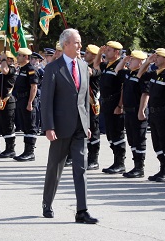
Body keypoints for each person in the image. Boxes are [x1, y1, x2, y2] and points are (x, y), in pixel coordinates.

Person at [41, 28, 98, 224]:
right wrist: (48, 127)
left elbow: (84, 99)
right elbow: (47, 100)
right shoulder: (53, 68)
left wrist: (87, 124)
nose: (80, 46)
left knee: (80, 169)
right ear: (65, 44)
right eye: (76, 43)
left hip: (80, 127)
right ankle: (47, 203)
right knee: (54, 168)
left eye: (80, 42)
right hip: (59, 127)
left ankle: (82, 210)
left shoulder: (83, 66)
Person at [138, 48, 165, 182]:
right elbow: (139, 75)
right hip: (154, 113)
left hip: (164, 112)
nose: (155, 58)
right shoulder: (155, 73)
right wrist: (147, 62)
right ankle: (162, 168)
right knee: (157, 143)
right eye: (155, 56)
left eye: (158, 57)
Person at [94, 41, 127, 174]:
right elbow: (96, 65)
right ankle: (116, 161)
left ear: (116, 53)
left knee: (117, 132)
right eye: (106, 50)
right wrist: (99, 53)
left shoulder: (121, 67)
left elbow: (124, 88)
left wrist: (120, 105)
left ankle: (120, 162)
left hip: (115, 103)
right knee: (110, 133)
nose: (106, 52)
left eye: (109, 50)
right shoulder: (107, 65)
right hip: (106, 103)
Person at [115, 50, 149, 178]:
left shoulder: (143, 76)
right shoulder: (129, 73)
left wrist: (141, 111)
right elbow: (117, 72)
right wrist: (124, 61)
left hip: (137, 111)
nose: (130, 61)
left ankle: (139, 167)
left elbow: (145, 94)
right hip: (128, 111)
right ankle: (135, 166)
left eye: (133, 59)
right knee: (132, 139)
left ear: (140, 62)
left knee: (139, 140)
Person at [13, 47, 39, 162]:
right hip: (21, 100)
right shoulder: (22, 69)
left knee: (30, 126)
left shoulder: (30, 69)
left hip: (28, 100)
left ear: (26, 57)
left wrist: (30, 102)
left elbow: (34, 87)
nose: (17, 57)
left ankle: (30, 152)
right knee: (25, 126)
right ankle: (26, 150)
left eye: (19, 55)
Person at [0, 51, 17, 158]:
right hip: (0, 101)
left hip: (8, 101)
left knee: (8, 125)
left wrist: (3, 60)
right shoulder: (2, 72)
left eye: (5, 59)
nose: (1, 61)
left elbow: (5, 70)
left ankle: (11, 149)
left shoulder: (12, 69)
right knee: (3, 125)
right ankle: (7, 147)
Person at [84, 44, 102, 170]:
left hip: (92, 103)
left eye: (88, 53)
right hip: (82, 103)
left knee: (93, 131)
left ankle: (93, 159)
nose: (85, 54)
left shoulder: (96, 68)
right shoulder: (85, 65)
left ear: (94, 56)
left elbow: (91, 72)